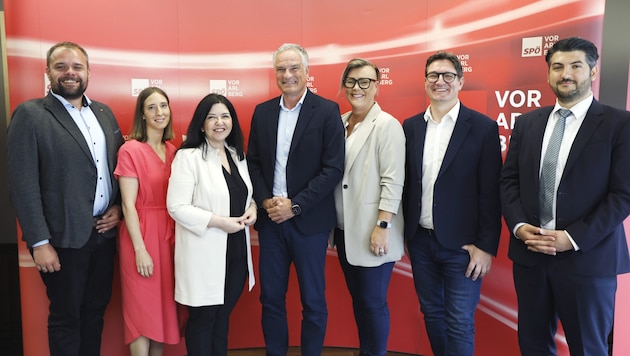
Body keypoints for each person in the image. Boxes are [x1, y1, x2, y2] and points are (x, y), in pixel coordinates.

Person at [500, 36, 630, 355]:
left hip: (587, 257)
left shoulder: (619, 124)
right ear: (548, 74)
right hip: (531, 255)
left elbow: (622, 194)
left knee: (588, 347)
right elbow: (509, 181)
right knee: (533, 344)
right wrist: (518, 226)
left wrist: (570, 238)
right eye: (557, 67)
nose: (565, 74)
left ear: (593, 72)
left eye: (575, 66)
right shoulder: (528, 123)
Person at [6, 41, 124, 356]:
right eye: (61, 66)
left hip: (103, 235)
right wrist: (40, 242)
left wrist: (118, 208)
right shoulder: (30, 115)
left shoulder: (104, 113)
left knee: (95, 313)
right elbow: (23, 184)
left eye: (77, 67)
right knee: (66, 318)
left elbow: (116, 170)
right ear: (47, 72)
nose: (69, 73)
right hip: (62, 240)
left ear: (88, 72)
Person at [246, 43, 345, 356]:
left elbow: (333, 169)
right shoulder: (262, 113)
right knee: (271, 298)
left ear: (306, 72)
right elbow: (254, 163)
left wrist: (295, 204)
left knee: (313, 300)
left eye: (293, 68)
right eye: (281, 69)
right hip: (271, 222)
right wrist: (265, 202)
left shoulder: (327, 111)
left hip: (309, 222)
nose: (287, 75)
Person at [402, 51, 502, 356]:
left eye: (447, 75)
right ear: (425, 82)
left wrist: (485, 247)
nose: (440, 81)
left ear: (460, 81)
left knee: (459, 321)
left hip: (463, 247)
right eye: (433, 75)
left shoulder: (482, 128)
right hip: (420, 241)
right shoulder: (410, 127)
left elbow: (491, 193)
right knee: (432, 314)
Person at [167, 93, 257, 356]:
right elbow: (177, 206)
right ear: (202, 123)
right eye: (212, 117)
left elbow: (246, 196)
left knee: (222, 319)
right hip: (203, 254)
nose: (220, 122)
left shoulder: (236, 155)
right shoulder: (189, 157)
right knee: (203, 321)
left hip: (236, 252)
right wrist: (219, 222)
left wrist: (252, 210)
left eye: (225, 116)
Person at [332, 58, 406, 356]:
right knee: (360, 301)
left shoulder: (387, 125)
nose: (357, 88)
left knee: (373, 303)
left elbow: (393, 181)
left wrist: (383, 226)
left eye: (365, 82)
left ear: (376, 86)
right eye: (351, 82)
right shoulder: (339, 122)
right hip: (343, 229)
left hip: (373, 229)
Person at [114, 87, 180, 355]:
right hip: (139, 233)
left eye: (163, 106)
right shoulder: (130, 150)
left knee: (163, 309)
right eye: (151, 107)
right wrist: (139, 249)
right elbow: (128, 205)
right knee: (141, 310)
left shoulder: (174, 151)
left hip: (169, 234)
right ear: (142, 114)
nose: (159, 112)